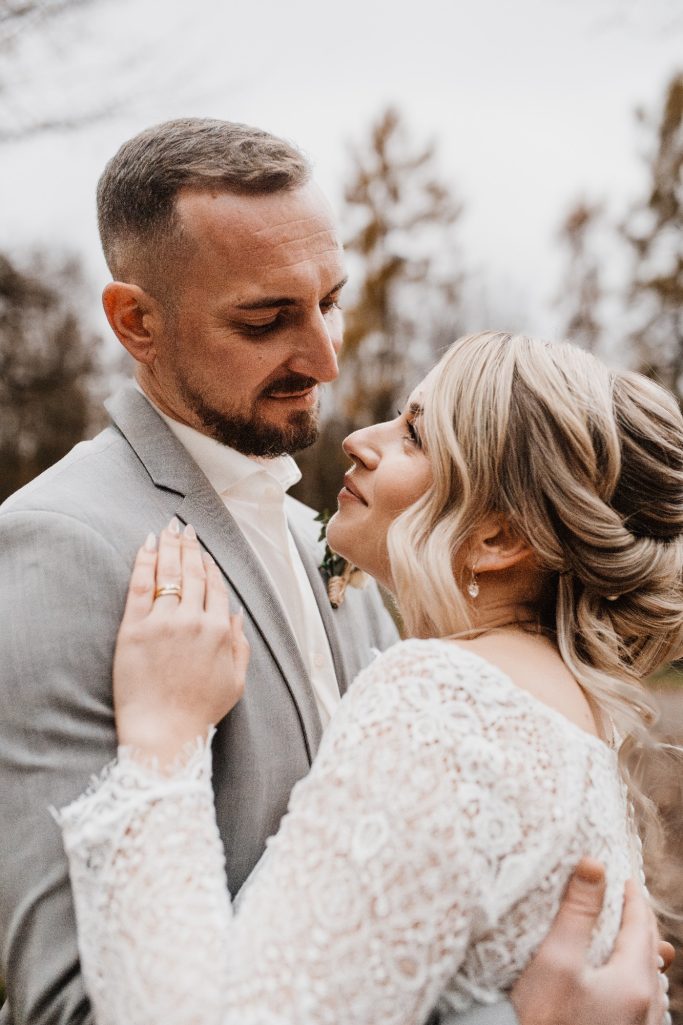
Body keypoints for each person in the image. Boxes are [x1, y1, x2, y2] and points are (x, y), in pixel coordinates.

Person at [0, 115, 668, 1025]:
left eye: (331, 301)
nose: (325, 356)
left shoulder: (351, 558)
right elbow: (71, 1007)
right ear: (137, 323)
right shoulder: (56, 544)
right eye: (267, 318)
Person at [55, 332, 680, 1025]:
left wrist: (163, 742)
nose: (358, 439)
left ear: (497, 538)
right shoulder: (572, 714)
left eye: (413, 435)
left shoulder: (445, 703)